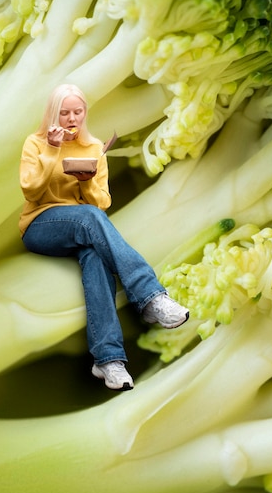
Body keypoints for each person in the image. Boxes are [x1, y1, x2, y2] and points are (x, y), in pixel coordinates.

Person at [19, 83, 189, 391]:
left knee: (94, 257)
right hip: (40, 226)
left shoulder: (93, 148)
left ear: (85, 113)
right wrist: (53, 152)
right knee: (90, 219)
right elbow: (30, 190)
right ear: (53, 113)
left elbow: (101, 202)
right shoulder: (36, 143)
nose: (72, 118)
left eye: (77, 112)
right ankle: (150, 296)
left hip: (84, 226)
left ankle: (108, 361)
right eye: (65, 112)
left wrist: (85, 182)